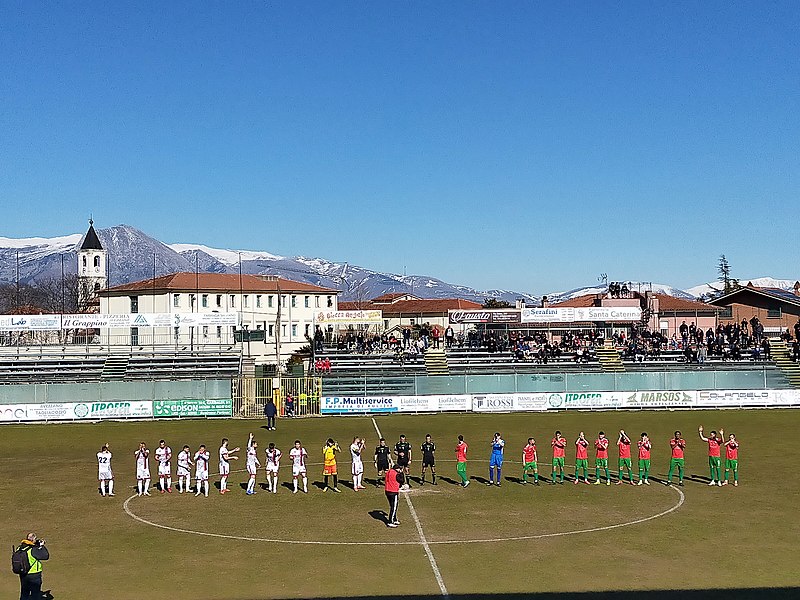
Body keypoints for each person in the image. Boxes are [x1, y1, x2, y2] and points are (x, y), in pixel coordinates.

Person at [16, 533, 49, 600]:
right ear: (33, 539)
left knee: (24, 593)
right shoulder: (33, 550)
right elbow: (45, 556)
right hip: (34, 575)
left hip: (23, 574)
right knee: (35, 595)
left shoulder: (19, 548)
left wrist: (36, 545)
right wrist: (42, 546)